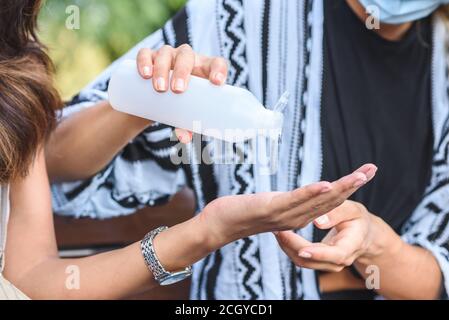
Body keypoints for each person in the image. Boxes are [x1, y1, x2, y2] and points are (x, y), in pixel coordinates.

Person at [48, 0, 449, 300]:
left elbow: (435, 278)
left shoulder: (442, 69)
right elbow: (53, 160)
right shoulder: (237, 21)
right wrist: (145, 101)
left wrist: (373, 246)